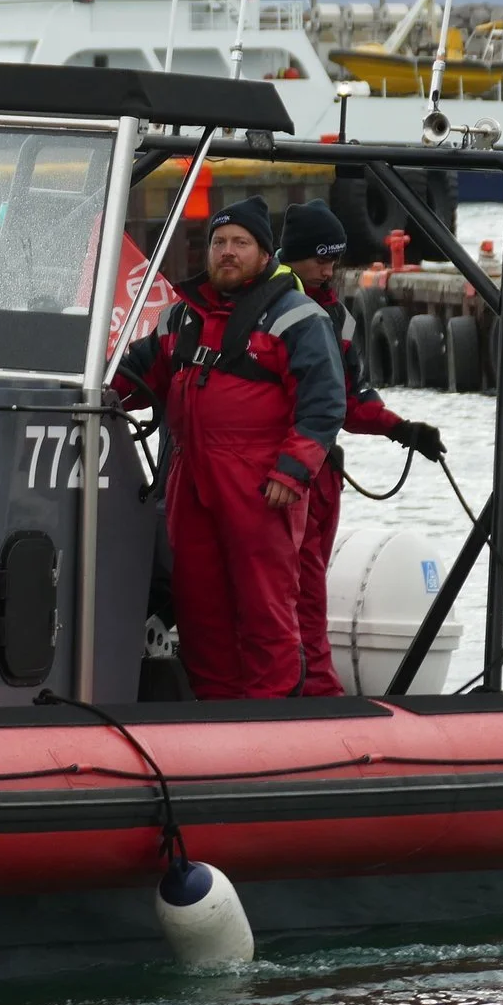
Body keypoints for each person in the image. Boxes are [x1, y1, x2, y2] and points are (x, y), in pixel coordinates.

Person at [115, 197, 346, 700]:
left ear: (265, 254)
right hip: (191, 484)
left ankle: (272, 722)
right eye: (219, 242)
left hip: (260, 487)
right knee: (200, 613)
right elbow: (134, 377)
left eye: (240, 243)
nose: (227, 252)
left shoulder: (297, 315)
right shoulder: (181, 316)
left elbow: (324, 402)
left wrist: (291, 473)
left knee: (265, 610)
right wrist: (85, 391)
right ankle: (216, 721)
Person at [280, 200, 445, 694]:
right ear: (294, 256)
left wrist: (402, 429)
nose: (329, 268)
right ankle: (308, 691)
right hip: (281, 473)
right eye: (320, 258)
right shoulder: (269, 308)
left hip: (318, 474)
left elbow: (352, 400)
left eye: (334, 258)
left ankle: (310, 687)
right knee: (290, 589)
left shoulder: (338, 317)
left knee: (306, 587)